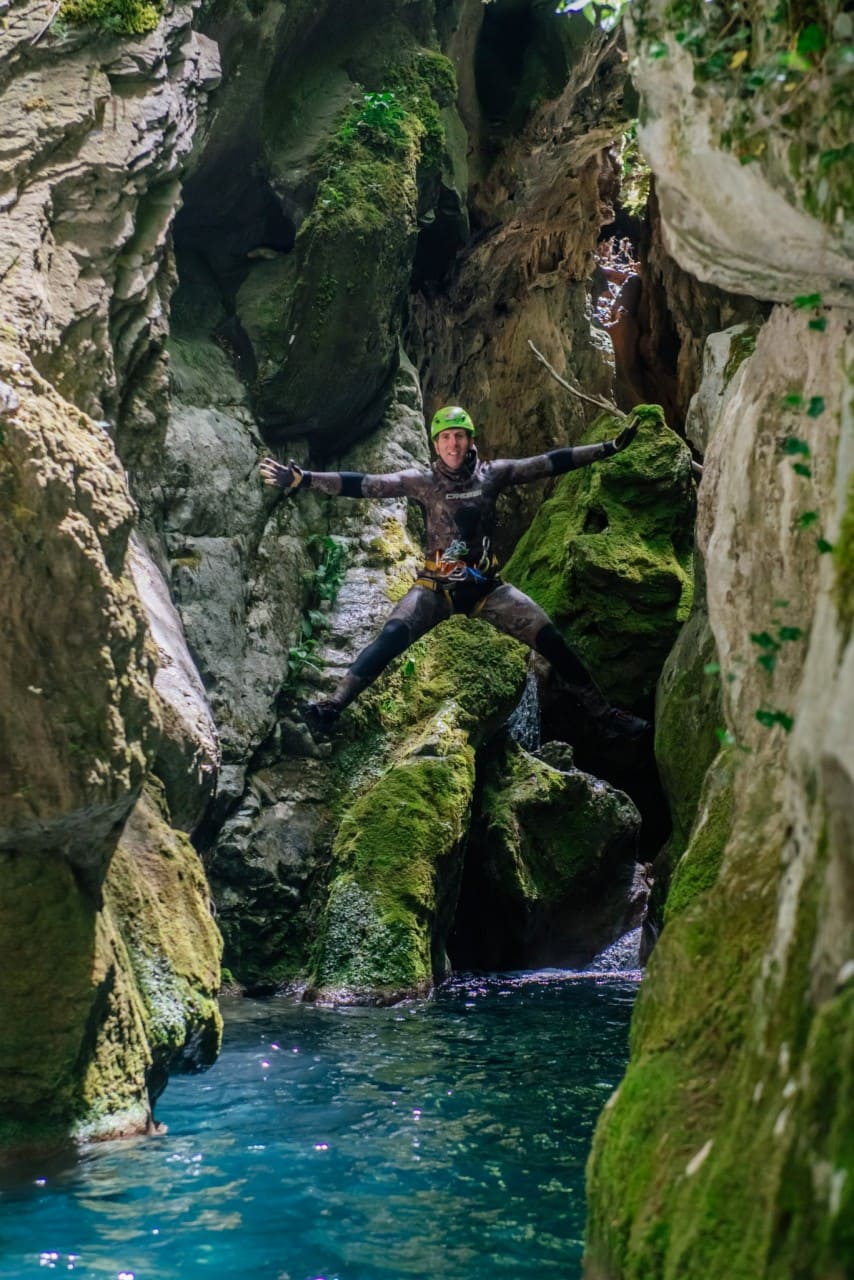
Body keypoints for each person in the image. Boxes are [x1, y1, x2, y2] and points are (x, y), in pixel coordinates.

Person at [260, 405, 648, 741]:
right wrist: (303, 479)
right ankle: (332, 705)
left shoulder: (493, 474)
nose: (453, 445)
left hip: (487, 588)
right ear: (436, 445)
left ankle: (605, 715)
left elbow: (549, 462)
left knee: (551, 640)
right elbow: (365, 485)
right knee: (391, 637)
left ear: (470, 440)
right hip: (436, 587)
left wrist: (607, 449)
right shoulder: (423, 482)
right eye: (446, 438)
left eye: (459, 436)